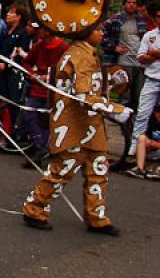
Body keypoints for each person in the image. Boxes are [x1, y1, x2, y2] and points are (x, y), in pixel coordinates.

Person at [23, 25, 132, 234]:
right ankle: (34, 208)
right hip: (73, 122)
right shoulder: (78, 55)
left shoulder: (87, 53)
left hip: (92, 123)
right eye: (98, 29)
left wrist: (111, 80)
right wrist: (114, 108)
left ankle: (96, 217)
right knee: (62, 170)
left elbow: (92, 87)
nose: (101, 33)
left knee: (98, 170)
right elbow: (82, 96)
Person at [20, 27, 69, 165]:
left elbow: (66, 68)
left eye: (40, 29)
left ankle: (41, 149)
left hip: (53, 89)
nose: (37, 32)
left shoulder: (63, 47)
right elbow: (27, 61)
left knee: (46, 119)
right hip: (38, 88)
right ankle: (40, 144)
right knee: (28, 114)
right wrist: (32, 74)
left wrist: (52, 76)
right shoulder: (38, 45)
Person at [101, 0, 148, 112]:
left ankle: (135, 124)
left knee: (138, 95)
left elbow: (145, 39)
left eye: (134, 3)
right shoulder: (116, 19)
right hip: (124, 61)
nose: (131, 5)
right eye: (129, 2)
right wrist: (113, 47)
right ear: (124, 5)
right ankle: (123, 121)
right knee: (124, 94)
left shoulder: (141, 20)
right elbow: (101, 33)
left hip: (139, 61)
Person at [128, 5, 160, 153]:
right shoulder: (149, 35)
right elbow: (141, 57)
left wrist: (154, 53)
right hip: (151, 79)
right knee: (142, 113)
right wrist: (154, 54)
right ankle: (135, 148)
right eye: (158, 17)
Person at [0, 4, 31, 126]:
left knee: (14, 100)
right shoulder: (5, 32)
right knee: (4, 100)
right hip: (2, 72)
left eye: (11, 13)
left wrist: (7, 64)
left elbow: (21, 52)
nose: (8, 15)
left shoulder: (23, 33)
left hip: (14, 72)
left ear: (18, 17)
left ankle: (16, 128)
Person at [126, 103, 160, 179]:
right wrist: (149, 142)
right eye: (158, 112)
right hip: (152, 151)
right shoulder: (153, 121)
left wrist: (157, 145)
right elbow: (146, 135)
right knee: (142, 137)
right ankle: (139, 169)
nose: (159, 115)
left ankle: (158, 170)